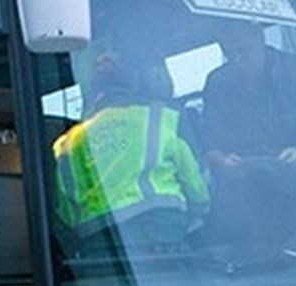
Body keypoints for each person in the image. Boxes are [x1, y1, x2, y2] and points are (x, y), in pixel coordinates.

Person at [199, 20, 296, 250]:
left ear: (260, 39)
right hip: (249, 206)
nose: (236, 59)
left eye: (243, 50)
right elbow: (209, 144)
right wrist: (223, 162)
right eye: (228, 53)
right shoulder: (217, 83)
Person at [52, 50, 209, 249]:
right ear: (134, 84)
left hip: (100, 238)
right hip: (161, 228)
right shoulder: (162, 118)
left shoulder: (67, 143)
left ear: (90, 92)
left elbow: (68, 209)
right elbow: (196, 185)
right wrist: (198, 213)